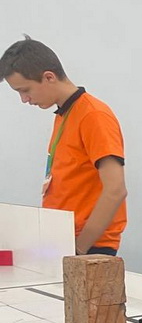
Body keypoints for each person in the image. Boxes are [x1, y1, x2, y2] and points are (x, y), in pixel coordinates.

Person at [1, 37, 127, 256]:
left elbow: (115, 190)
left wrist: (79, 248)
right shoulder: (64, 115)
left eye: (25, 90)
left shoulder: (93, 115)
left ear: (49, 77)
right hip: (62, 242)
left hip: (87, 247)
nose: (24, 99)